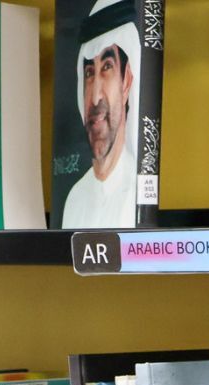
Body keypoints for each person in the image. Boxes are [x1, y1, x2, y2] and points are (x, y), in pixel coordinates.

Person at [60, 0, 141, 230]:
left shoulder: (140, 197)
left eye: (106, 68)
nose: (95, 97)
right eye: (89, 73)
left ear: (126, 80)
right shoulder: (74, 199)